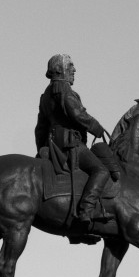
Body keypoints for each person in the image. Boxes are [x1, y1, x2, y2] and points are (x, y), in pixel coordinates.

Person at [34, 54, 118, 228]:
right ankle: (86, 209)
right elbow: (77, 113)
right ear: (60, 69)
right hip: (71, 145)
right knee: (101, 170)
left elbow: (40, 128)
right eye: (70, 66)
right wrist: (96, 126)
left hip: (53, 146)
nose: (74, 70)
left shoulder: (45, 95)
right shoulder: (65, 90)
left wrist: (43, 149)